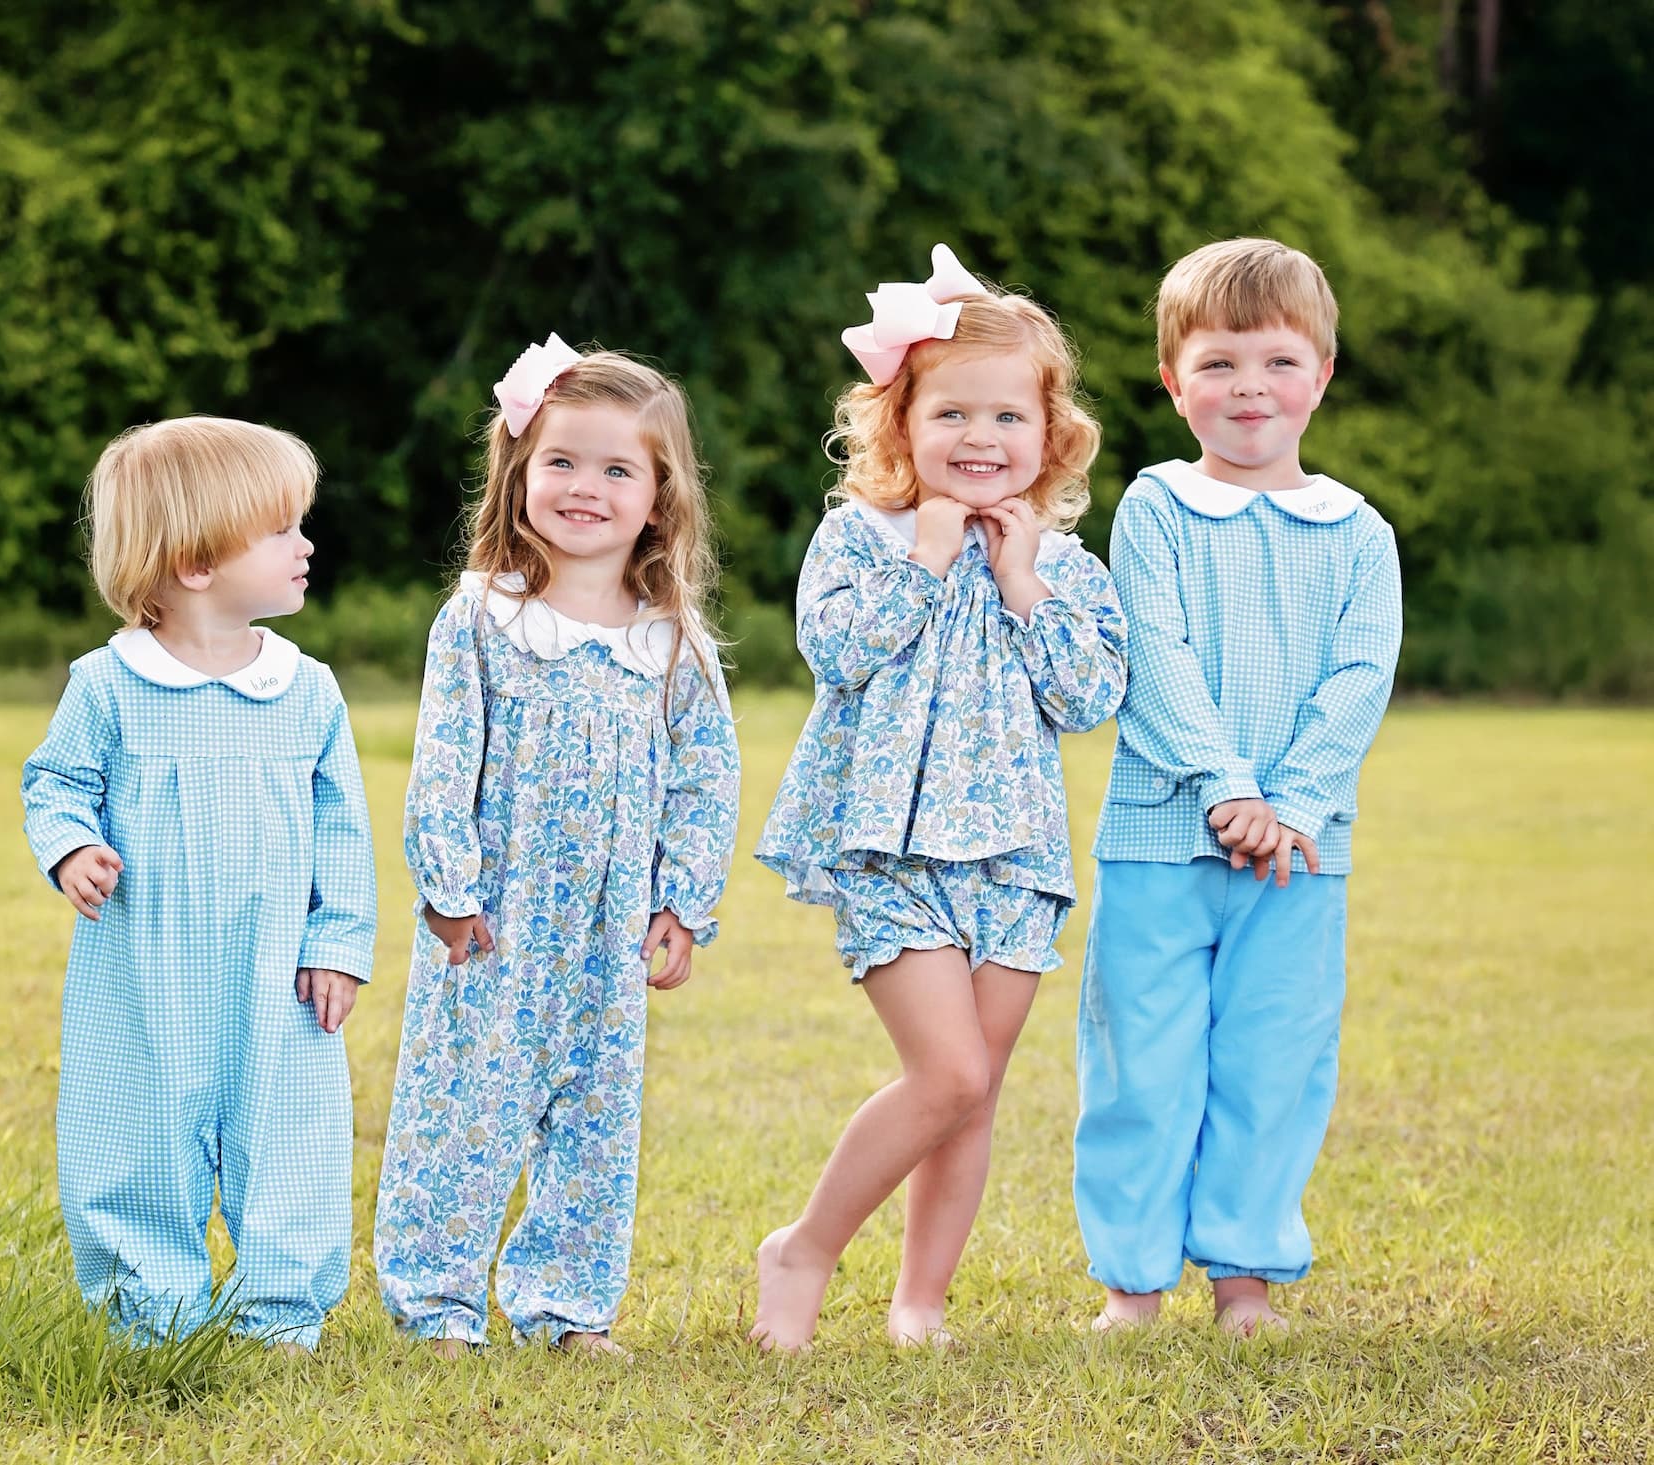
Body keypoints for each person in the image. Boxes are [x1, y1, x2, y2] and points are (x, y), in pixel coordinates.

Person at [750, 246, 1127, 1351]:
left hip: (1014, 854)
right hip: (892, 847)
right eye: (950, 412)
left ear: (1049, 434)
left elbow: (1087, 695)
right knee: (947, 1070)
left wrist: (1020, 581)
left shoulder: (1063, 564)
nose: (979, 437)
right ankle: (804, 1247)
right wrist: (923, 558)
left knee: (977, 1086)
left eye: (1007, 416)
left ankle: (920, 1300)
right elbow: (836, 653)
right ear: (900, 424)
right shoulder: (859, 539)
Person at [373, 337, 740, 1357]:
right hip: (495, 913)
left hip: (610, 925)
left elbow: (707, 776)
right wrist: (448, 885)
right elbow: (445, 757)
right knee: (464, 1103)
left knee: (594, 1115)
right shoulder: (484, 617)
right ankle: (436, 1303)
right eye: (562, 462)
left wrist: (682, 901)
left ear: (659, 498)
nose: (586, 486)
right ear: (520, 474)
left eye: (618, 469)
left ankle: (566, 1306)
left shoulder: (672, 640)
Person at [1073, 237, 1403, 1337]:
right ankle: (1131, 1284)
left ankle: (1244, 1280)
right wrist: (1225, 784)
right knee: (1141, 1064)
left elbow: (1359, 678)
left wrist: (1290, 804)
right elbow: (1153, 654)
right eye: (1217, 363)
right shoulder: (1156, 507)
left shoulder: (1359, 533)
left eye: (1276, 362)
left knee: (1271, 1064)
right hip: (1161, 837)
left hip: (1299, 854)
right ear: (1174, 383)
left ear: (1321, 375)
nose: (1247, 387)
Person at [21, 416, 377, 1351]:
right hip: (141, 970)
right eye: (281, 529)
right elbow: (56, 782)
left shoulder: (306, 690)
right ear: (195, 562)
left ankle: (281, 1317)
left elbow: (342, 828)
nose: (306, 545)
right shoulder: (108, 685)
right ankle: (152, 1315)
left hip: (280, 976)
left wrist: (337, 943)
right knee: (135, 1132)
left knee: (290, 1135)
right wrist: (72, 847)